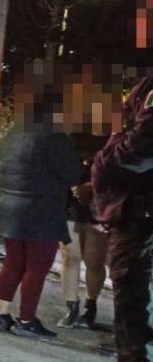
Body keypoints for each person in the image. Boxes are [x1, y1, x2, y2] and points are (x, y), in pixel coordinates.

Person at [60, 74, 153, 362]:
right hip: (140, 217)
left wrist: (103, 163)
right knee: (139, 330)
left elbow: (141, 148)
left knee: (138, 331)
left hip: (143, 221)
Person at [0, 70, 80, 341]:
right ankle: (27, 320)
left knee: (13, 263)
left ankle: (1, 315)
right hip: (41, 210)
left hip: (9, 206)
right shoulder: (54, 137)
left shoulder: (16, 133)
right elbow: (72, 174)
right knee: (37, 267)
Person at [58, 133, 109, 330]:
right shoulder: (71, 135)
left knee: (94, 261)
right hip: (71, 202)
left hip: (99, 204)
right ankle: (72, 306)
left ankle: (90, 306)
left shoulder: (112, 138)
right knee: (70, 256)